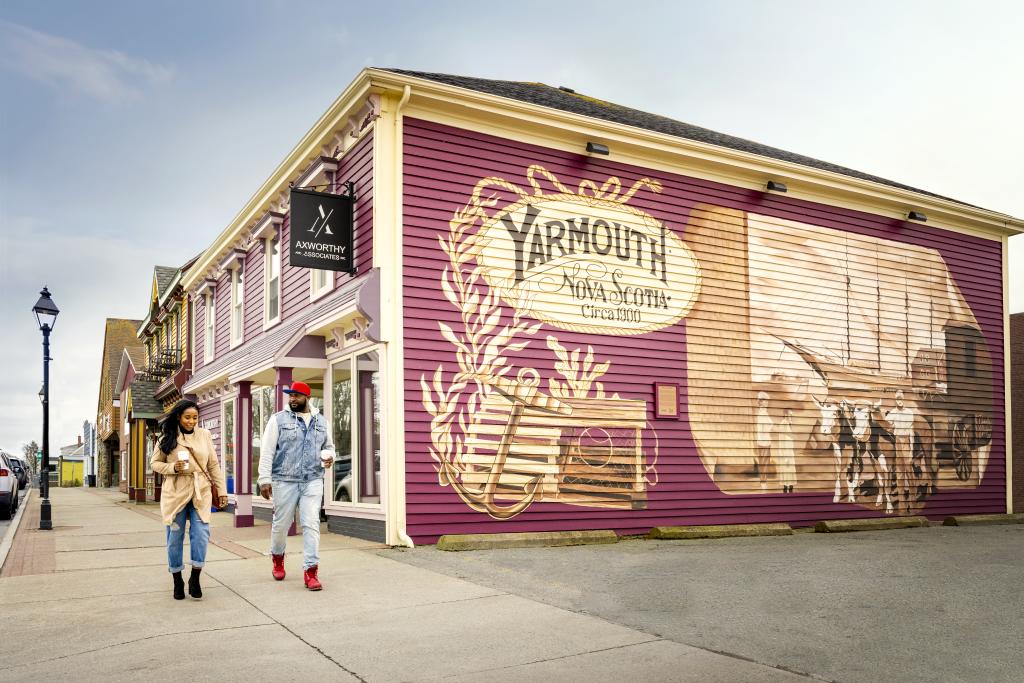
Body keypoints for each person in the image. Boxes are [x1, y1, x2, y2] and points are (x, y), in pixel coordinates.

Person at [257, 382, 335, 591]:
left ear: (307, 397)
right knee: (281, 525)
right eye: (290, 396)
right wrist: (264, 479)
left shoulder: (321, 422)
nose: (292, 399)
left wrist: (330, 458)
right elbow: (267, 451)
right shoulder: (278, 420)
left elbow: (329, 447)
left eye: (296, 395)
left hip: (313, 480)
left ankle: (311, 572)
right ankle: (278, 558)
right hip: (284, 480)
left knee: (311, 524)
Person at [150, 399, 227, 600]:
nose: (192, 421)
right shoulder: (167, 438)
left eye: (195, 417)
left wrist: (222, 491)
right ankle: (177, 579)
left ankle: (195, 577)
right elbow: (155, 463)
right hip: (175, 493)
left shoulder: (205, 435)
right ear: (178, 416)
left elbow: (213, 465)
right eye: (187, 417)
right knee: (174, 538)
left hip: (200, 491)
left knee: (201, 535)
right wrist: (172, 468)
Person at [775, 408, 797, 494]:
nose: (791, 417)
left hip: (789, 450)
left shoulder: (788, 423)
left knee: (790, 469)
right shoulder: (783, 424)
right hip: (785, 451)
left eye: (791, 415)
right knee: (786, 469)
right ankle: (786, 488)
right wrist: (784, 455)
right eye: (789, 415)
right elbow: (782, 439)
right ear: (785, 414)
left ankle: (790, 487)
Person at [755, 391, 773, 490]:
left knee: (763, 462)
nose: (767, 402)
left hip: (762, 441)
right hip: (764, 442)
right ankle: (763, 483)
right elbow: (764, 429)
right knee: (765, 463)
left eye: (767, 400)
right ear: (761, 402)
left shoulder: (763, 413)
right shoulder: (762, 414)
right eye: (764, 401)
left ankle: (763, 482)